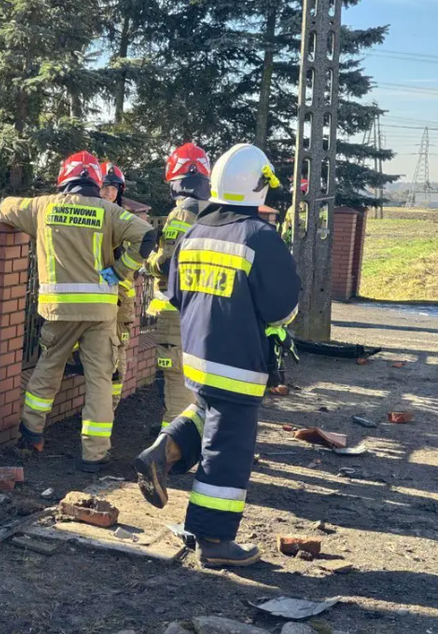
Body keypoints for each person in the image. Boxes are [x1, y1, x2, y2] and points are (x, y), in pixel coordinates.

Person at [133, 143, 301, 568]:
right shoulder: (260, 237)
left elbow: (172, 292)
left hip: (198, 355)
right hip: (239, 360)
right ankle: (213, 540)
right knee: (229, 449)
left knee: (207, 410)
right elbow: (284, 308)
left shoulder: (193, 233)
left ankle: (164, 449)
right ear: (258, 188)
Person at [0, 151, 154, 472]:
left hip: (59, 310)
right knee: (98, 380)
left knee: (49, 367)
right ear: (96, 182)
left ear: (64, 179)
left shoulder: (43, 206)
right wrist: (120, 271)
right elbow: (147, 236)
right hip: (100, 311)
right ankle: (94, 455)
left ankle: (31, 434)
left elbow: (5, 207)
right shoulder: (109, 211)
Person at [144, 142, 211, 431]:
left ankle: (172, 444)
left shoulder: (184, 213)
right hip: (209, 307)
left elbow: (167, 261)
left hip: (178, 312)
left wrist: (146, 262)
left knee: (176, 377)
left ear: (177, 182)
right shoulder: (219, 210)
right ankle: (200, 436)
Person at [100, 162, 136, 409]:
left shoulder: (125, 218)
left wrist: (119, 271)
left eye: (114, 188)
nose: (110, 192)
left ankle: (109, 409)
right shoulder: (92, 214)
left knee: (118, 351)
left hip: (121, 294)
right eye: (105, 186)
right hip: (95, 294)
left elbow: (140, 246)